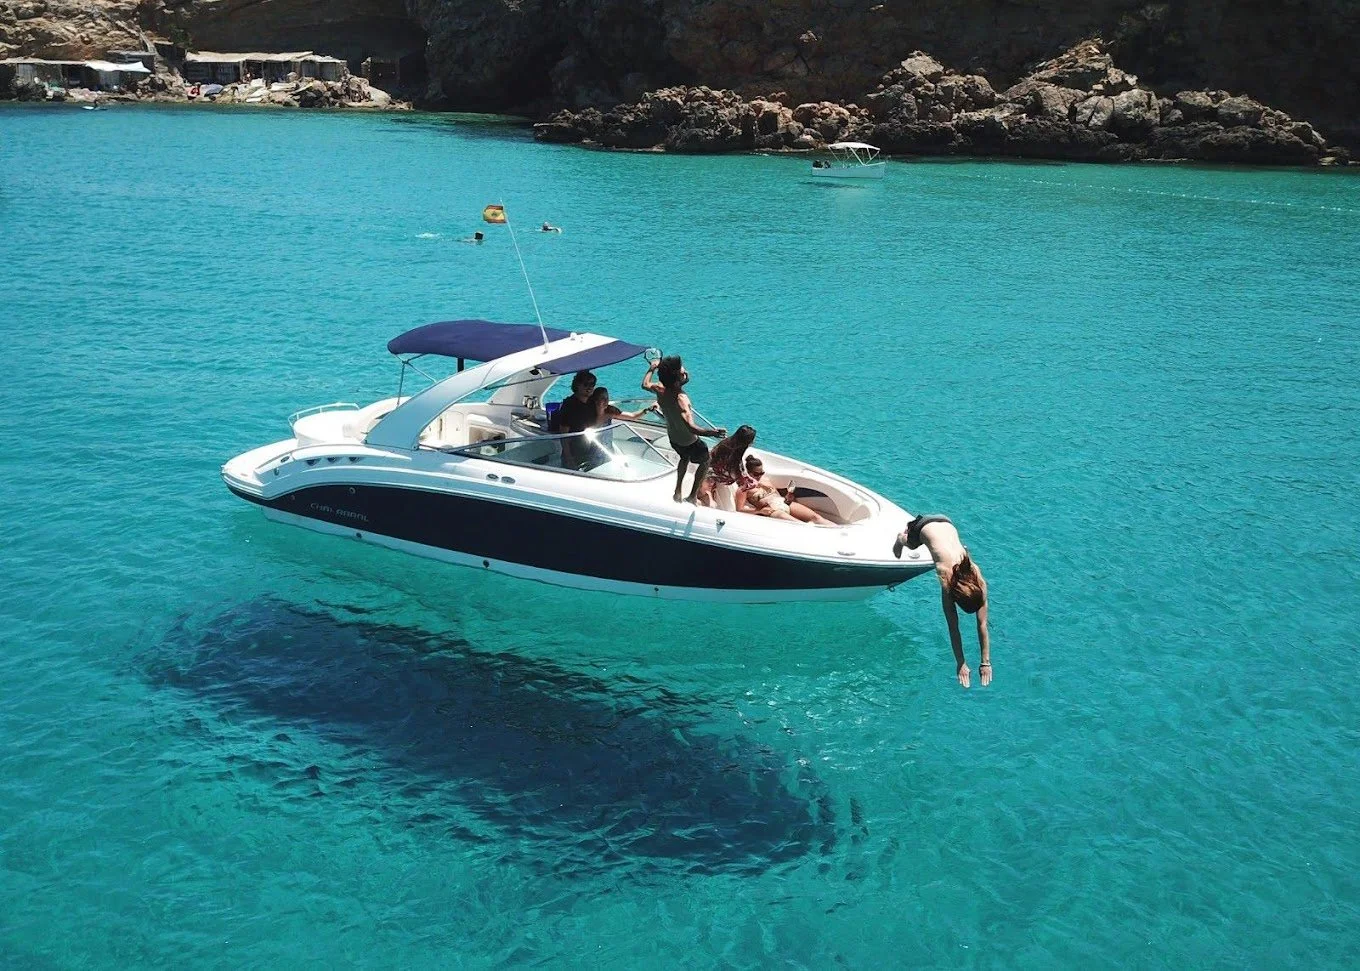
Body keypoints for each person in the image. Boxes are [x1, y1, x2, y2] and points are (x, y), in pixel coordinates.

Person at [893, 515, 991, 688]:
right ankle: (900, 539)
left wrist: (985, 662)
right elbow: (954, 628)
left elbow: (982, 624)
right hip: (921, 526)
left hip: (946, 521)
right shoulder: (947, 580)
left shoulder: (978, 580)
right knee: (912, 545)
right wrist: (960, 663)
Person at [642, 354, 725, 504]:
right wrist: (713, 433)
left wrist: (652, 368)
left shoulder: (659, 389)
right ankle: (692, 495)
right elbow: (692, 428)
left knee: (684, 458)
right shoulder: (681, 400)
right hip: (689, 441)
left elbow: (645, 384)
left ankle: (677, 491)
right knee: (706, 461)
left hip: (674, 439)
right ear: (677, 378)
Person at [735, 454, 832, 524]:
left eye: (762, 472)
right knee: (801, 525)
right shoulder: (744, 489)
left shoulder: (766, 479)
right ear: (748, 472)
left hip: (784, 503)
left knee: (816, 517)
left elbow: (777, 493)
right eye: (756, 474)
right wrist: (759, 511)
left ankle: (839, 532)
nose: (760, 476)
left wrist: (789, 497)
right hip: (774, 511)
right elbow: (740, 509)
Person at [550, 370, 599, 468]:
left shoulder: (592, 403)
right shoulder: (569, 405)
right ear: (577, 385)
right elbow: (564, 435)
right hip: (573, 452)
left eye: (592, 384)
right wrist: (569, 459)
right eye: (585, 384)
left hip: (589, 450)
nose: (589, 387)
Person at [700, 424, 756, 507]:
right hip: (715, 476)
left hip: (708, 471)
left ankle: (708, 493)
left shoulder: (725, 443)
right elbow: (737, 475)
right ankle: (708, 494)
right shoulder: (735, 456)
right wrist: (749, 481)